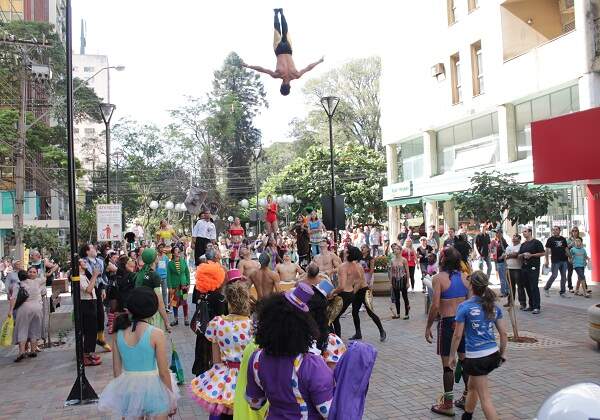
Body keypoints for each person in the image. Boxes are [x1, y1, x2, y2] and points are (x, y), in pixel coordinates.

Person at [245, 286, 334, 418]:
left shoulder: (256, 359)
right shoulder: (312, 365)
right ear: (304, 329)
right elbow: (327, 410)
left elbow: (255, 402)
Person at [98, 287, 178, 419]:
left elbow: (116, 371)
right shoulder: (156, 334)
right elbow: (163, 372)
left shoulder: (118, 333)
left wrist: (121, 395)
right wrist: (171, 398)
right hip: (154, 388)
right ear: (152, 310)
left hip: (129, 388)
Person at [449, 271, 508, 420]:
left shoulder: (464, 307)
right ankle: (467, 416)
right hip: (492, 355)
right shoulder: (493, 306)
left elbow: (457, 335)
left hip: (476, 359)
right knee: (472, 387)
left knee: (485, 399)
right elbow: (504, 334)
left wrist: (451, 356)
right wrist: (501, 354)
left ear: (471, 285)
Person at [191, 281, 253, 419]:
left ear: (228, 302)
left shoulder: (217, 323)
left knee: (223, 414)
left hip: (224, 378)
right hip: (247, 377)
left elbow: (216, 360)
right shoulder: (252, 326)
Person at [425, 247, 470, 416]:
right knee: (464, 361)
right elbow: (470, 302)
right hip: (463, 322)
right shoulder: (466, 278)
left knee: (447, 367)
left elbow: (435, 305)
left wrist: (428, 326)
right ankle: (467, 398)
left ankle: (448, 404)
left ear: (442, 260)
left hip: (448, 322)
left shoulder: (439, 278)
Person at [241, 8, 324, 96]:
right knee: (277, 30)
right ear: (281, 86)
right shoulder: (277, 75)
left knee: (285, 32)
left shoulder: (296, 75)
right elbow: (262, 69)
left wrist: (319, 61)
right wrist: (247, 66)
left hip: (288, 50)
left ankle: (281, 12)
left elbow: (308, 68)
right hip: (279, 50)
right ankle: (276, 13)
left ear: (289, 87)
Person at [192, 248, 227, 376]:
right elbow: (222, 316)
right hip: (215, 335)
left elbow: (195, 301)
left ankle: (201, 373)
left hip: (202, 329)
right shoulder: (219, 297)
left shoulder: (198, 290)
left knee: (202, 353)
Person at [8, 268, 43, 362]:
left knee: (22, 329)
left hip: (24, 308)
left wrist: (11, 311)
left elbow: (13, 298)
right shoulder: (37, 282)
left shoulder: (18, 285)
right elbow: (44, 277)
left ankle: (21, 352)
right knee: (34, 328)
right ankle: (33, 350)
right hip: (37, 308)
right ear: (27, 274)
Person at [134, 248, 171, 333]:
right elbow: (160, 301)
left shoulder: (140, 273)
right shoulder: (154, 275)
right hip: (152, 314)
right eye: (156, 255)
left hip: (141, 314)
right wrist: (166, 321)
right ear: (154, 259)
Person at [330, 246, 359, 338]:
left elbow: (341, 287)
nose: (344, 249)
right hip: (350, 293)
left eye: (346, 249)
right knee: (335, 318)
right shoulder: (354, 265)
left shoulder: (343, 267)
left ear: (348, 253)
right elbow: (357, 279)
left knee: (331, 318)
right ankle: (337, 339)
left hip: (343, 295)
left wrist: (333, 292)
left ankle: (335, 340)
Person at [77, 256, 101, 366]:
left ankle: (90, 351)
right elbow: (88, 289)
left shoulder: (84, 275)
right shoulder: (79, 277)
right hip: (86, 304)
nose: (85, 262)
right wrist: (95, 276)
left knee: (93, 329)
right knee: (89, 330)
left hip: (92, 302)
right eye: (83, 262)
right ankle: (86, 354)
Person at [519, 227, 545, 314]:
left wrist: (531, 255)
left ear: (530, 232)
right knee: (527, 286)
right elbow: (519, 255)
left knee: (534, 286)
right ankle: (531, 305)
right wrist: (522, 255)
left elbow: (542, 253)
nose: (524, 233)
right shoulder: (523, 244)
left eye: (525, 231)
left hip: (533, 267)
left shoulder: (536, 242)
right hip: (524, 267)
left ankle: (536, 306)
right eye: (523, 232)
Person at [543, 226, 571, 298]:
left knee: (564, 276)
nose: (555, 231)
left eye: (556, 230)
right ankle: (546, 288)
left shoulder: (563, 239)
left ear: (559, 231)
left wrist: (570, 257)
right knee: (554, 275)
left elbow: (566, 249)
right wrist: (546, 260)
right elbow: (547, 251)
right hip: (555, 261)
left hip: (564, 260)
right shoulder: (550, 239)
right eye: (553, 230)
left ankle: (562, 292)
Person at [168, 246, 191, 327]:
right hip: (175, 286)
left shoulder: (183, 261)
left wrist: (188, 283)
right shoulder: (170, 263)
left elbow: (187, 273)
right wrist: (170, 287)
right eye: (177, 251)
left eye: (179, 250)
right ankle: (175, 319)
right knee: (174, 303)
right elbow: (169, 276)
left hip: (183, 285)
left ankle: (186, 319)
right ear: (173, 253)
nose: (179, 252)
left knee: (184, 302)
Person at [389, 245, 410, 320]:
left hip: (403, 279)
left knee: (405, 297)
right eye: (394, 249)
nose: (395, 250)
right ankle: (398, 313)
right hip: (395, 280)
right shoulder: (392, 260)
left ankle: (407, 314)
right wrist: (391, 282)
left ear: (400, 250)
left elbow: (407, 271)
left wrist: (408, 282)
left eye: (397, 249)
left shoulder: (404, 260)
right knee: (397, 298)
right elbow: (391, 271)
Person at [505, 234, 526, 309]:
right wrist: (511, 255)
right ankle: (510, 302)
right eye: (513, 236)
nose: (513, 238)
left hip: (518, 268)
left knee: (520, 286)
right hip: (509, 268)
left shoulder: (521, 246)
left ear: (519, 239)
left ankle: (522, 303)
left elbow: (516, 255)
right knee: (510, 286)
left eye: (515, 237)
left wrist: (509, 255)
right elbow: (505, 256)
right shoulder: (509, 247)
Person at [491, 229, 509, 299]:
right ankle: (506, 291)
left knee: (502, 278)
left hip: (501, 262)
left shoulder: (502, 241)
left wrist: (502, 256)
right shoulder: (498, 241)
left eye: (498, 233)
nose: (496, 234)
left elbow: (506, 250)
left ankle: (504, 292)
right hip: (499, 261)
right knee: (503, 277)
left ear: (501, 234)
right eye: (496, 233)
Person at [566, 226, 581, 293]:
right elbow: (566, 248)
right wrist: (572, 243)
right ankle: (570, 287)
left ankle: (584, 287)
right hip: (571, 258)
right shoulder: (568, 239)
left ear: (578, 232)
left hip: (579, 258)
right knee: (570, 272)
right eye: (573, 231)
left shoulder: (580, 238)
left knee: (580, 272)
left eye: (576, 231)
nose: (574, 232)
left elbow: (581, 247)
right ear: (571, 232)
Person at [156, 244, 170, 312]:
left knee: (165, 293)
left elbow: (167, 267)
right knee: (157, 293)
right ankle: (157, 307)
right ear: (158, 248)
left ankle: (166, 307)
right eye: (160, 247)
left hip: (164, 277)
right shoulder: (155, 257)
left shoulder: (166, 257)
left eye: (162, 247)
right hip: (157, 277)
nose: (161, 249)